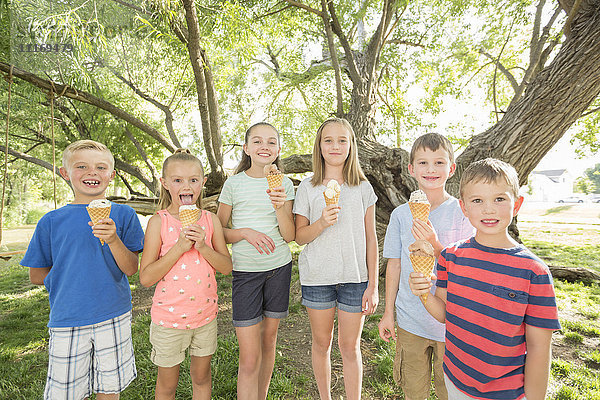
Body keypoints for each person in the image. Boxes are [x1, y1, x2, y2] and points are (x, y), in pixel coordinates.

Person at [409, 158, 560, 400]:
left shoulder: (534, 272)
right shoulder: (450, 257)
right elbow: (445, 314)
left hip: (506, 393)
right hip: (455, 380)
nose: (488, 209)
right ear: (464, 207)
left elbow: (539, 349)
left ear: (517, 204)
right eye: (477, 200)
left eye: (499, 199)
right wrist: (424, 293)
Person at [21, 140, 145, 400]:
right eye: (82, 166)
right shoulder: (51, 222)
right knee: (65, 392)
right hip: (68, 319)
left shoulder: (123, 215)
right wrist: (71, 279)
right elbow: (36, 275)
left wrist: (112, 240)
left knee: (109, 388)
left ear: (111, 175)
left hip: (113, 314)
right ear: (65, 173)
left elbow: (131, 269)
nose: (92, 172)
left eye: (101, 167)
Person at [377, 133, 474, 400]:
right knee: (413, 391)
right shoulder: (400, 215)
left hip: (452, 324)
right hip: (410, 320)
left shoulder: (463, 213)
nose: (431, 169)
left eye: (439, 162)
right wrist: (388, 313)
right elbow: (394, 265)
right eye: (423, 163)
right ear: (411, 169)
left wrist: (435, 242)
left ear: (451, 169)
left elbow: (468, 266)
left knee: (450, 393)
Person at [293, 118, 378, 400]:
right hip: (318, 278)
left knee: (350, 347)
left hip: (355, 278)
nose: (335, 146)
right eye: (328, 140)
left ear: (351, 145)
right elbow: (300, 236)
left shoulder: (363, 188)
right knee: (322, 343)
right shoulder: (308, 187)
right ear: (319, 146)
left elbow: (371, 239)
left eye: (342, 140)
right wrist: (321, 223)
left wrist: (373, 286)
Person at [139, 149, 232, 400]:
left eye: (193, 179)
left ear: (202, 182)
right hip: (169, 321)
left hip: (205, 318)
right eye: (178, 180)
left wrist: (203, 247)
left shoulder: (210, 220)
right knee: (167, 386)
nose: (186, 185)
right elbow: (146, 277)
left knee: (201, 378)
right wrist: (179, 247)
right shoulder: (158, 222)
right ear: (165, 183)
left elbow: (226, 267)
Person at [216, 122, 295, 400]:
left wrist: (280, 206)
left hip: (279, 269)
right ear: (246, 148)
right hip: (246, 274)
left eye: (272, 142)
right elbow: (219, 232)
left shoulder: (284, 184)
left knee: (269, 340)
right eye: (258, 141)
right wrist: (244, 233)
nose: (265, 146)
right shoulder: (233, 184)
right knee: (249, 357)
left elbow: (289, 235)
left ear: (278, 149)